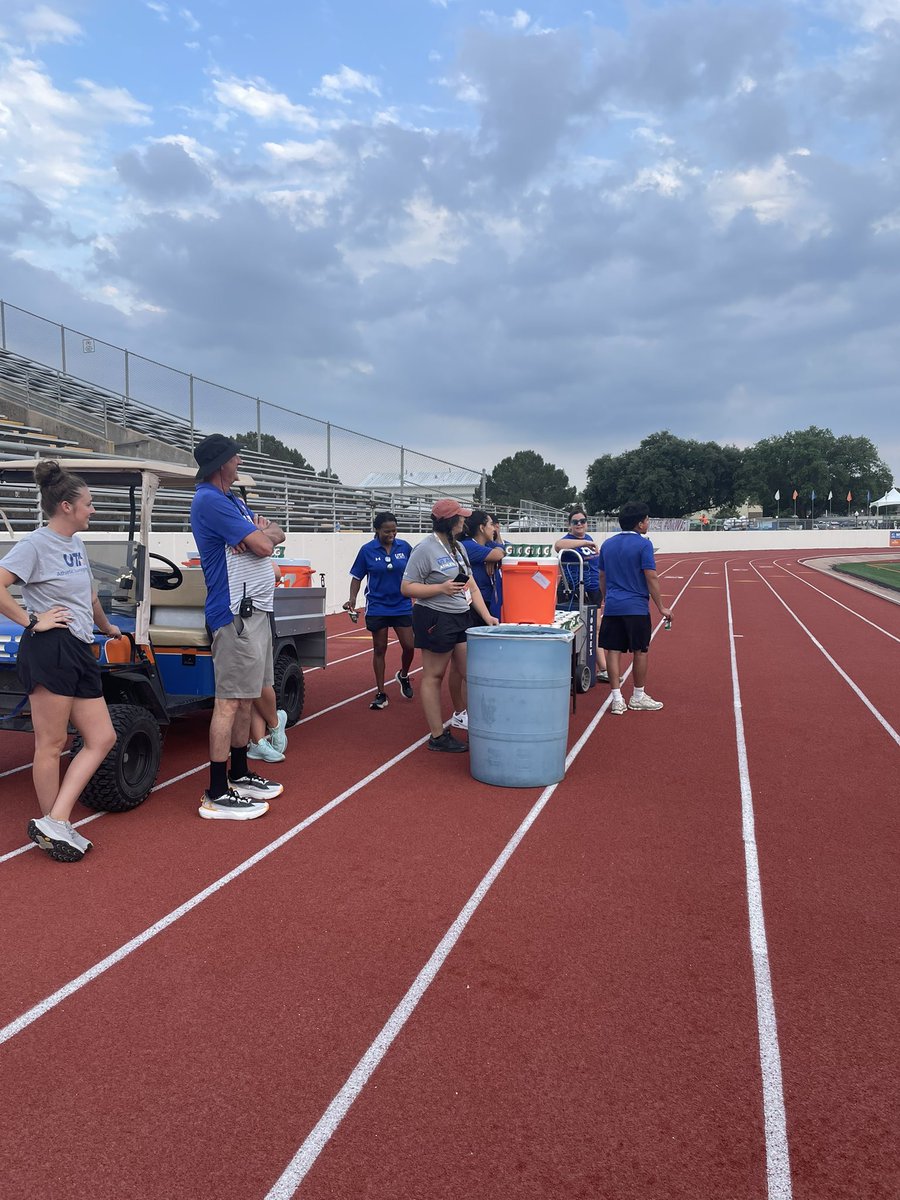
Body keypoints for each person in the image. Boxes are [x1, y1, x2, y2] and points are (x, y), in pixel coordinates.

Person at [0, 461, 120, 862]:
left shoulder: (76, 545)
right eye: (89, 504)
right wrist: (32, 620)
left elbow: (89, 598)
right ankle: (54, 823)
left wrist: (108, 628)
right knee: (51, 743)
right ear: (66, 506)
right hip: (50, 647)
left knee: (102, 737)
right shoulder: (36, 543)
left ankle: (55, 818)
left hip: (80, 647)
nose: (93, 509)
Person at [190, 434, 286, 820]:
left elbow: (270, 535)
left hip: (254, 610)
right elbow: (264, 546)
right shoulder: (210, 500)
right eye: (235, 457)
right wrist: (261, 538)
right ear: (221, 464)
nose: (240, 461)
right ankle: (216, 790)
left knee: (245, 697)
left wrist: (264, 535)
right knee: (229, 701)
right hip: (234, 613)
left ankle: (240, 773)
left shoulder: (232, 500)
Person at [400, 499, 498, 753]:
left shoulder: (459, 548)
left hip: (460, 615)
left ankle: (467, 718)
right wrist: (440, 588)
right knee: (434, 675)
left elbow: (472, 586)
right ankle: (437, 735)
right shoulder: (425, 549)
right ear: (450, 521)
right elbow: (407, 587)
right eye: (460, 517)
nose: (464, 521)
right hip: (434, 617)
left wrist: (487, 618)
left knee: (470, 672)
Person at [597, 501, 672, 715]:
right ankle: (638, 696)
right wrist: (661, 607)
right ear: (640, 524)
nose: (648, 523)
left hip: (613, 606)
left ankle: (617, 699)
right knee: (640, 651)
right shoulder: (644, 545)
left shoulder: (607, 545)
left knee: (613, 650)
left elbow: (602, 576)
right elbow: (651, 575)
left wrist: (607, 598)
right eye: (647, 520)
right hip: (636, 607)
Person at [343, 512, 415, 710]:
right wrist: (352, 598)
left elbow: (416, 572)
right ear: (376, 530)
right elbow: (357, 577)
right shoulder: (367, 550)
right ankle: (381, 693)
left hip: (402, 604)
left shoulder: (405, 547)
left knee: (409, 645)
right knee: (379, 648)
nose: (392, 534)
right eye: (387, 531)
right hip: (378, 606)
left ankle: (403, 675)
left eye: (394, 530)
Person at [553, 507, 608, 681]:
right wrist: (584, 543)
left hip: (592, 590)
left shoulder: (589, 538)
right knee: (575, 629)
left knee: (596, 628)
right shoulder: (568, 540)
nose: (579, 525)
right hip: (574, 592)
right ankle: (571, 666)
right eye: (575, 522)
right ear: (569, 525)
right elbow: (558, 546)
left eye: (582, 521)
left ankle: (603, 668)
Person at [244, 562, 288, 764]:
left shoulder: (254, 547)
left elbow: (276, 572)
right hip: (235, 616)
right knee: (251, 682)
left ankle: (274, 723)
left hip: (257, 613)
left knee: (260, 680)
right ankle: (258, 740)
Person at [462, 509, 505, 621]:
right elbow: (498, 554)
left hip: (489, 600)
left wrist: (494, 556)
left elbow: (504, 548)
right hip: (475, 604)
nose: (494, 529)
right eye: (491, 525)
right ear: (482, 528)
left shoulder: (488, 544)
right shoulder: (467, 545)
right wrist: (494, 556)